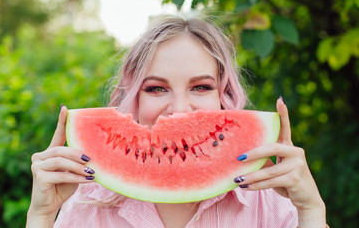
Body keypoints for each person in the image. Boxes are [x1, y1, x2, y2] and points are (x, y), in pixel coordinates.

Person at [26, 17, 327, 228]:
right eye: (156, 88)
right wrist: (41, 216)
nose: (180, 110)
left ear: (224, 96)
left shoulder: (266, 199)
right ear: (135, 97)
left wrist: (311, 212)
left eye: (201, 87)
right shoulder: (87, 201)